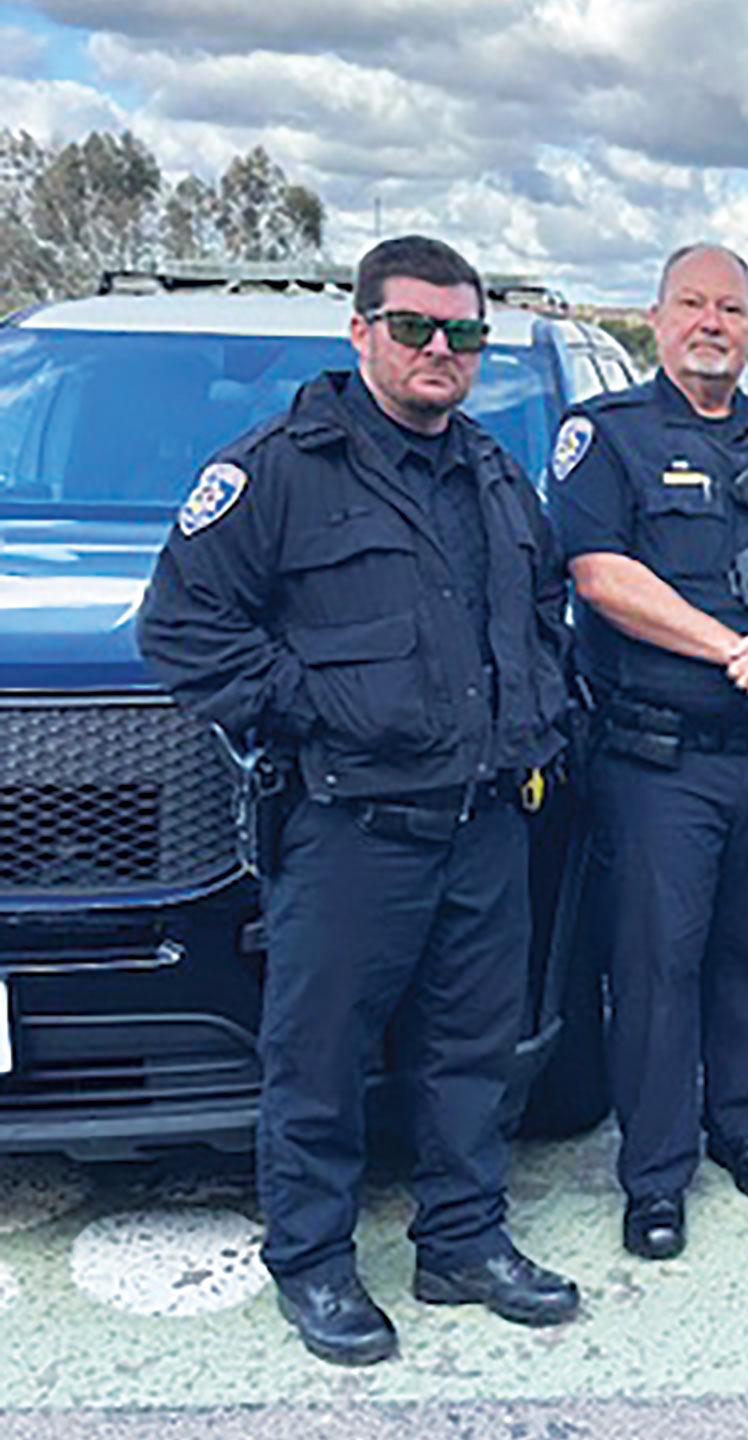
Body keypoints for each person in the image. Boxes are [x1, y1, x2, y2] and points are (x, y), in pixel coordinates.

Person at [138, 236, 580, 1366]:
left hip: (483, 821)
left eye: (463, 333)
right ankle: (315, 1263)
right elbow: (184, 629)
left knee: (472, 1053)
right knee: (320, 1058)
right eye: (416, 328)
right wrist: (317, 710)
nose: (441, 350)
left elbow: (533, 612)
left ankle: (463, 1242)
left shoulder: (489, 468)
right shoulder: (282, 467)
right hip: (350, 828)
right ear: (362, 332)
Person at [550, 243, 748, 1262]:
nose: (711, 322)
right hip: (659, 762)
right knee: (654, 965)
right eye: (692, 303)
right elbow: (601, 575)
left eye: (731, 308)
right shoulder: (606, 437)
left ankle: (741, 1125)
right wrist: (737, 646)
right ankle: (655, 1174)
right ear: (657, 319)